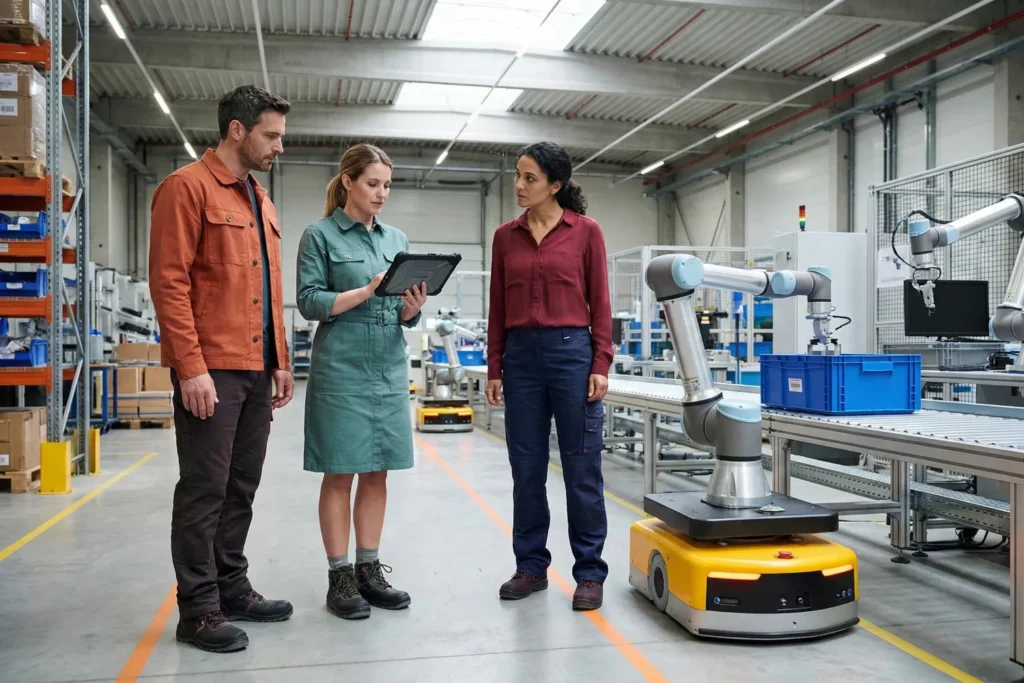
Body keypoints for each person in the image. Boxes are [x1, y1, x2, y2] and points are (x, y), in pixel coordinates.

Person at [149, 85, 296, 654]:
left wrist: (280, 361)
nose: (279, 146)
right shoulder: (186, 189)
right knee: (204, 489)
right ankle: (199, 609)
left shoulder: (260, 199)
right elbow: (170, 284)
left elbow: (269, 286)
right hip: (211, 368)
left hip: (257, 367)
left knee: (242, 485)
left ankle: (232, 587)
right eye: (271, 135)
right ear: (238, 130)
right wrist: (190, 368)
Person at [296, 143, 428, 621]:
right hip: (343, 365)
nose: (381, 193)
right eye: (373, 183)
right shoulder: (320, 235)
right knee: (341, 470)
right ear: (348, 181)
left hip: (388, 365)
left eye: (387, 185)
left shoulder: (396, 238)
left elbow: (399, 310)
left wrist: (411, 310)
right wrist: (365, 290)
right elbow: (310, 301)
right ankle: (340, 578)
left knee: (378, 470)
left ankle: (370, 571)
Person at [486, 141, 613, 611]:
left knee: (582, 468)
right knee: (526, 469)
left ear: (555, 185)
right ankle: (531, 566)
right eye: (517, 176)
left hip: (571, 355)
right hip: (521, 359)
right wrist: (494, 365)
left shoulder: (586, 233)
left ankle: (589, 573)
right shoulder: (505, 237)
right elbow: (498, 305)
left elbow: (600, 302)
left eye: (530, 178)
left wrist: (601, 362)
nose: (519, 186)